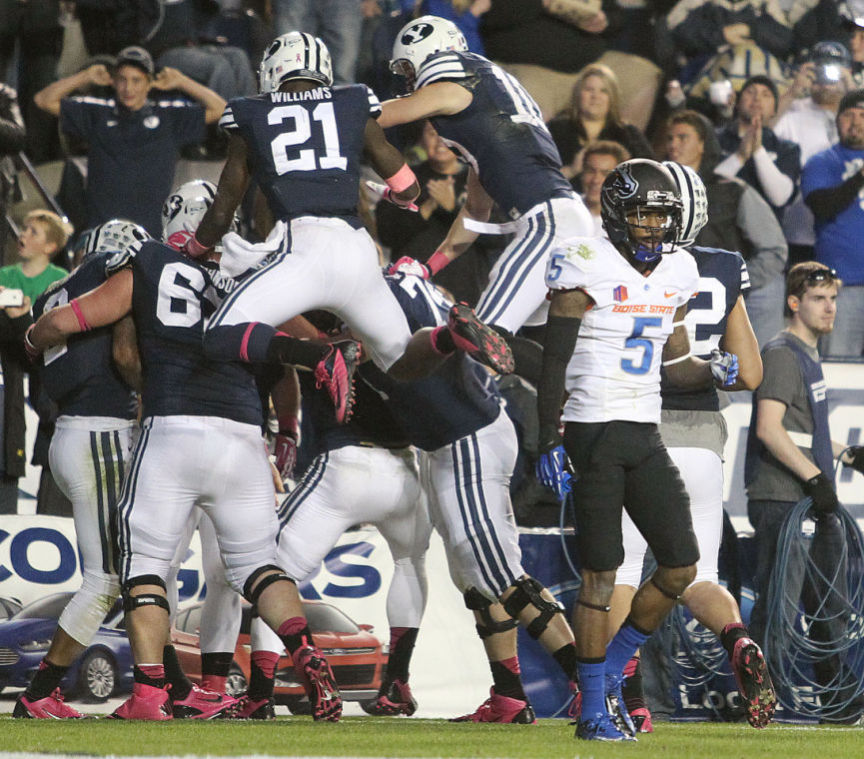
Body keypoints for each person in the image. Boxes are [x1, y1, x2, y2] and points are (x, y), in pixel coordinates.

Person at [24, 191, 352, 723]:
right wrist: (301, 397)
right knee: (255, 567)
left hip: (167, 426)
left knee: (144, 566)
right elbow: (292, 345)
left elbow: (82, 324)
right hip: (243, 435)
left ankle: (154, 691)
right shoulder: (252, 273)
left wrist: (34, 334)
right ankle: (307, 662)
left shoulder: (148, 263)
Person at [535, 158, 740, 741]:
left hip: (644, 430)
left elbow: (676, 367)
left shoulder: (678, 269)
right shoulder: (585, 261)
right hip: (593, 430)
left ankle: (607, 674)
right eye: (644, 214)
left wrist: (712, 370)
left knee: (681, 564)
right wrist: (550, 437)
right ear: (618, 215)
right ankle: (593, 710)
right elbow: (553, 363)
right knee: (602, 578)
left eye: (662, 215)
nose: (654, 227)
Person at [189, 30, 513, 391]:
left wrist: (194, 249)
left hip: (304, 249)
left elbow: (221, 212)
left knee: (219, 335)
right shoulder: (353, 101)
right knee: (402, 361)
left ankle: (320, 357)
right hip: (357, 251)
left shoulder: (248, 112)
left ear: (271, 70)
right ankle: (450, 337)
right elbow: (408, 187)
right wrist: (398, 197)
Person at [362, 267, 580, 724]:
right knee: (476, 578)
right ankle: (509, 696)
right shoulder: (405, 283)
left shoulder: (374, 292)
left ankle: (593, 686)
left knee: (499, 574)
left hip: (465, 439)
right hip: (456, 439)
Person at [609, 162, 775, 732]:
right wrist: (715, 369)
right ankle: (737, 637)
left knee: (622, 572)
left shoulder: (628, 260)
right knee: (700, 573)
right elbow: (750, 373)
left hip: (636, 424)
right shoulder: (724, 267)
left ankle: (624, 694)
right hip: (703, 440)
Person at [379, 15, 593, 379]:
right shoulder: (489, 110)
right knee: (541, 346)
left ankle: (571, 396)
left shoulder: (455, 87)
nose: (409, 79)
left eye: (408, 68)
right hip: (568, 222)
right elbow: (475, 214)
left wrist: (334, 111)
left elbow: (377, 117)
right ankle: (563, 413)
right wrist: (428, 267)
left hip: (548, 225)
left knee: (485, 338)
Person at [241, 356, 432, 719]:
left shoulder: (322, 320)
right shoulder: (403, 329)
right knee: (410, 564)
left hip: (344, 464)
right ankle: (396, 682)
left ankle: (261, 694)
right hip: (405, 467)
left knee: (272, 574)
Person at [13, 220, 147, 719]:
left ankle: (165, 683)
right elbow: (125, 354)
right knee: (108, 579)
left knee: (137, 574)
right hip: (102, 433)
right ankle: (39, 693)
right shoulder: (118, 274)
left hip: (67, 433)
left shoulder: (54, 290)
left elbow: (40, 344)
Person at [745, 261, 864, 723]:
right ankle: (762, 701)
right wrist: (815, 478)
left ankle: (839, 700)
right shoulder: (781, 352)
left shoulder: (806, 354)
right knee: (779, 607)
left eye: (833, 297)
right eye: (818, 298)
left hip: (810, 498)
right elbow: (769, 430)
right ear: (794, 302)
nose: (830, 307)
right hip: (782, 497)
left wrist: (845, 454)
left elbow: (796, 431)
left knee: (826, 604)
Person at [33, 46, 226, 236]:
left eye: (136, 80)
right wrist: (84, 77)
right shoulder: (97, 113)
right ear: (113, 82)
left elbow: (221, 108)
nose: (128, 88)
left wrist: (182, 81)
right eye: (122, 80)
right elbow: (43, 100)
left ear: (149, 83)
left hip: (149, 235)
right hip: (102, 233)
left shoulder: (169, 117)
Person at [665, 110, 788, 348]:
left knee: (744, 377)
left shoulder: (732, 189)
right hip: (679, 297)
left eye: (683, 138)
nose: (673, 145)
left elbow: (774, 249)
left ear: (702, 144)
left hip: (733, 300)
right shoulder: (657, 193)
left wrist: (734, 282)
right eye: (670, 138)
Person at [376, 120, 494, 305]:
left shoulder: (480, 180)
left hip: (466, 291)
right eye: (432, 133)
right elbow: (387, 234)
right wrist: (428, 207)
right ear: (421, 140)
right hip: (411, 288)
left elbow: (500, 236)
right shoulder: (406, 180)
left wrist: (453, 208)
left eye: (446, 133)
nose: (440, 140)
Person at [0, 209, 71, 513]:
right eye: (24, 229)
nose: (23, 235)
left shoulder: (61, 282)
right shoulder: (4, 276)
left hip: (38, 376)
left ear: (50, 247)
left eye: (33, 232)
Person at [773, 42, 852, 267]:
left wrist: (852, 92)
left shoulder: (857, 114)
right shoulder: (793, 109)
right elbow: (763, 132)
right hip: (797, 227)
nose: (828, 79)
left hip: (847, 229)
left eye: (835, 69)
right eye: (821, 70)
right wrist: (792, 91)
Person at [801, 88, 864, 358]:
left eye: (863, 115)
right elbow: (823, 207)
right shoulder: (822, 162)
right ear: (837, 121)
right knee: (840, 369)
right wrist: (860, 175)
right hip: (842, 287)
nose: (856, 121)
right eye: (848, 114)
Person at [547, 63, 653, 182]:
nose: (595, 96)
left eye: (603, 91)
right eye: (589, 89)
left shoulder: (628, 135)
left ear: (612, 97)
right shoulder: (556, 129)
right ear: (578, 94)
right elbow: (538, 177)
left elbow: (650, 177)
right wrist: (571, 170)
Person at [714, 75, 801, 217]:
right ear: (737, 102)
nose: (757, 98)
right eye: (750, 92)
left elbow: (779, 198)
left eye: (766, 95)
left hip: (762, 236)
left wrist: (758, 151)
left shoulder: (787, 149)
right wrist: (739, 157)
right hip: (715, 233)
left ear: (774, 110)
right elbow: (706, 189)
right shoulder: (714, 138)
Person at [578, 140, 631, 236]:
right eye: (590, 171)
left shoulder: (629, 225)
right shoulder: (564, 210)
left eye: (605, 174)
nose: (596, 180)